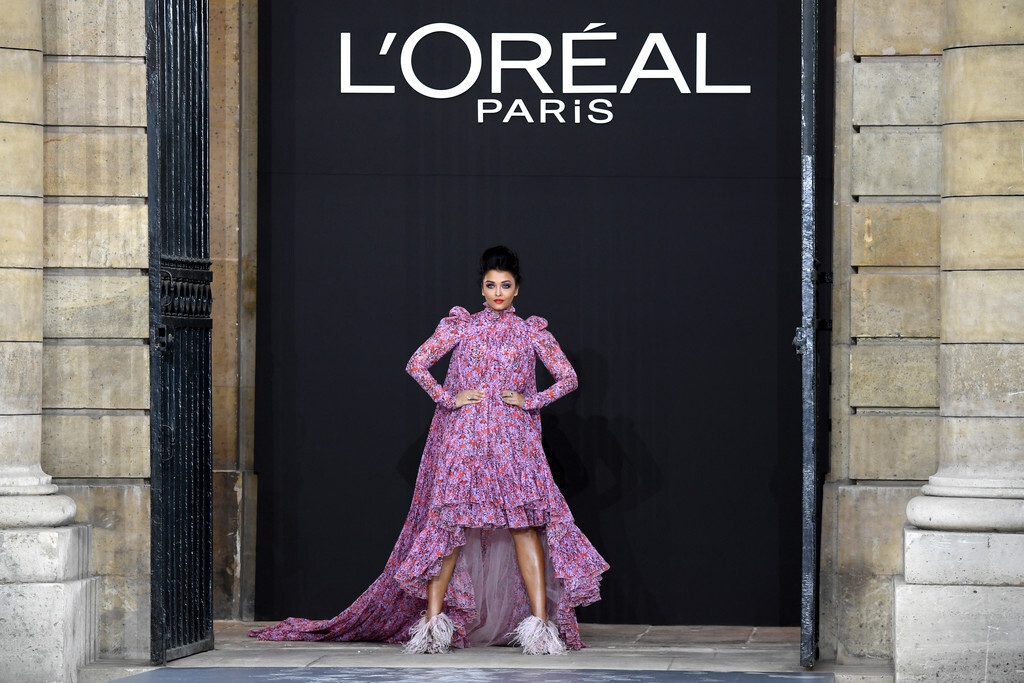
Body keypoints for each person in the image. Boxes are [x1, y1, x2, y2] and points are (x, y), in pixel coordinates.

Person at [250, 245, 608, 654]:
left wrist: (531, 401)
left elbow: (568, 377)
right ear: (481, 288)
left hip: (514, 442)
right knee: (449, 527)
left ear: (517, 289)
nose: (498, 293)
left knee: (524, 526)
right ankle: (433, 627)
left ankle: (540, 629)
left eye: (505, 285)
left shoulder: (531, 332)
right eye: (491, 285)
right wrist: (449, 398)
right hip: (465, 439)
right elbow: (417, 363)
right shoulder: (462, 326)